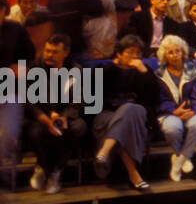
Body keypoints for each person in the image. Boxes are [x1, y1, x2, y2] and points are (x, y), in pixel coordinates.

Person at [92, 35, 158, 191]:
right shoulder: (104, 69)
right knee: (124, 124)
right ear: (119, 54)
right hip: (107, 115)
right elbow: (92, 98)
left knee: (130, 109)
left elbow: (152, 99)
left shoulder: (144, 71)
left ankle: (104, 151)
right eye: (130, 52)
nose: (134, 57)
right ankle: (134, 174)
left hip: (137, 115)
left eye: (138, 53)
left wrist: (144, 74)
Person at [22, 33, 85, 194]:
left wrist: (64, 117)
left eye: (54, 52)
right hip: (40, 116)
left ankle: (56, 171)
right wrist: (47, 118)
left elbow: (78, 100)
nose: (49, 55)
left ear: (66, 52)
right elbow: (28, 101)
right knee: (37, 131)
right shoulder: (34, 69)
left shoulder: (76, 70)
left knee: (78, 128)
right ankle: (43, 167)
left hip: (64, 116)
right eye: (47, 50)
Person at [154, 34, 196, 181]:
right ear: (164, 54)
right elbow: (158, 99)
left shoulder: (194, 70)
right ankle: (183, 157)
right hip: (169, 112)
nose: (174, 55)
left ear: (183, 52)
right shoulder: (158, 74)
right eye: (170, 52)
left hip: (192, 111)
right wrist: (173, 110)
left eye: (177, 51)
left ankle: (178, 161)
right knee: (172, 128)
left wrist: (193, 110)